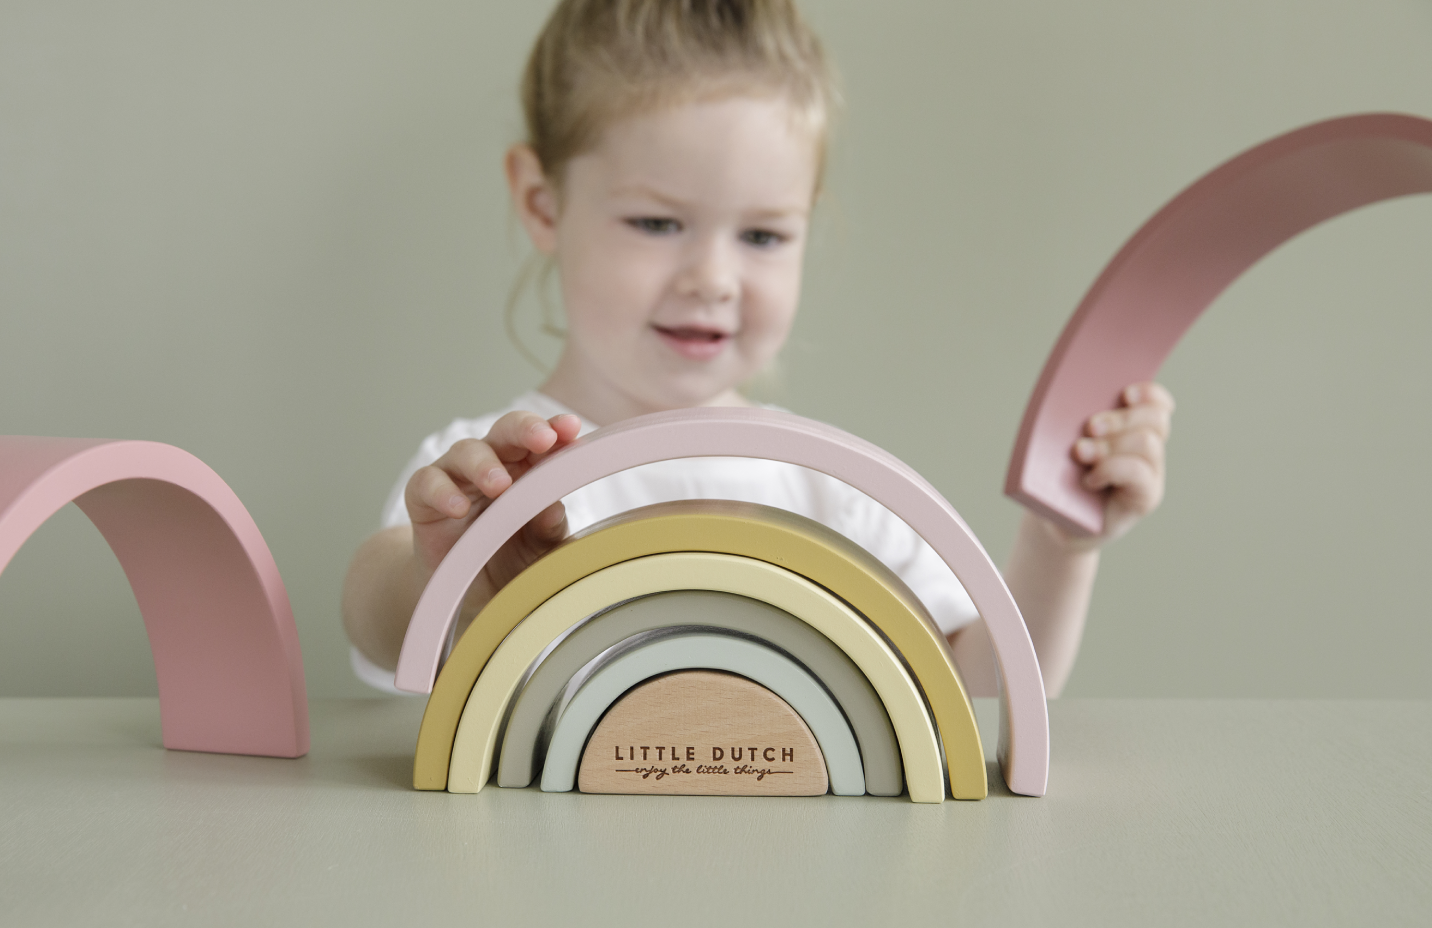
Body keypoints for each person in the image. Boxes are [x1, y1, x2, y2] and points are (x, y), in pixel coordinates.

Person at [341, 0, 1174, 701]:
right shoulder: (484, 479)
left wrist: (1058, 546)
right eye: (656, 222)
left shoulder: (833, 489)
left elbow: (977, 696)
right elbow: (376, 625)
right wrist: (441, 572)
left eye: (763, 235)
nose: (713, 278)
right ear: (541, 203)